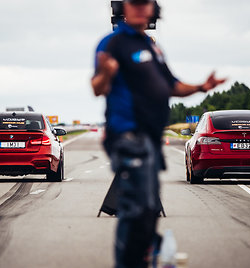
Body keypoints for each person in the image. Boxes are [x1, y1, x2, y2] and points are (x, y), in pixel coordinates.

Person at [91, 0, 226, 267]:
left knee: (150, 207)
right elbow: (97, 88)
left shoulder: (151, 47)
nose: (141, 8)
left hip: (150, 138)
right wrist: (106, 74)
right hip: (127, 135)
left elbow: (172, 85)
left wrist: (202, 86)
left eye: (146, 3)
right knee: (135, 207)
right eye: (134, 3)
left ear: (154, 9)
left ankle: (146, 253)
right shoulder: (112, 44)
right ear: (122, 8)